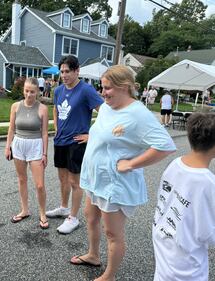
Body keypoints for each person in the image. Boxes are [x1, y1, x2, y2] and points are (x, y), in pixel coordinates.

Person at [71, 65, 176, 281]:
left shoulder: (138, 113)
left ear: (125, 87)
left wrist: (131, 164)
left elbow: (165, 146)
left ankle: (109, 275)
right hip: (94, 178)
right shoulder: (108, 107)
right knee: (90, 218)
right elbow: (106, 131)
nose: (102, 92)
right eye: (102, 87)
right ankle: (93, 255)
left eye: (107, 88)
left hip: (114, 184)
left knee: (113, 234)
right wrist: (94, 138)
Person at [153, 113, 215, 281]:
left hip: (164, 249)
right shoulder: (207, 183)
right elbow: (207, 232)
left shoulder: (175, 164)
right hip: (187, 266)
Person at [46, 55, 103, 234]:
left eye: (67, 71)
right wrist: (56, 127)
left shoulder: (86, 90)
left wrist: (91, 135)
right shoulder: (58, 91)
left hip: (77, 142)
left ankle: (74, 217)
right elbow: (55, 109)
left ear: (77, 70)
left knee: (74, 181)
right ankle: (64, 208)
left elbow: (104, 112)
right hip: (60, 141)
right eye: (61, 71)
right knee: (62, 178)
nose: (64, 75)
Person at [5, 77, 49, 229]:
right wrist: (7, 146)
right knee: (22, 179)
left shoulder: (42, 108)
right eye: (26, 91)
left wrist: (45, 153)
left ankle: (42, 213)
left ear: (37, 92)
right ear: (23, 90)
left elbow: (44, 133)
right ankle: (24, 210)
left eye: (32, 92)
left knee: (39, 184)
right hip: (18, 145)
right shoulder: (15, 106)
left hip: (35, 145)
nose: (29, 94)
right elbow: (11, 129)